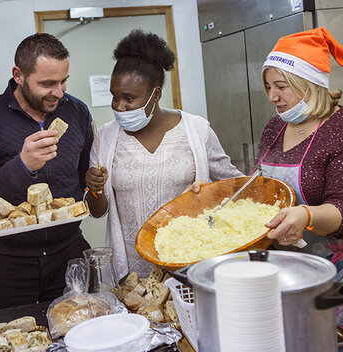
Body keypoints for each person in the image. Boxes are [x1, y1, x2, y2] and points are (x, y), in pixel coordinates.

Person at [254, 27, 343, 351]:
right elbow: (259, 184)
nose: (273, 96)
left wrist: (304, 215)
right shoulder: (277, 126)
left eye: (281, 87)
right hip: (295, 266)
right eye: (269, 87)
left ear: (310, 84)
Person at [85, 30, 242, 279]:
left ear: (155, 95)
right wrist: (94, 188)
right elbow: (97, 211)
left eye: (129, 99)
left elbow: (235, 187)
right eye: (115, 97)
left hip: (188, 261)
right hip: (130, 271)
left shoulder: (196, 130)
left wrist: (207, 196)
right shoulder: (105, 138)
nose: (119, 107)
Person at [0, 33, 93, 311]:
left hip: (69, 253)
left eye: (63, 81)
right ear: (18, 75)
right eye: (47, 84)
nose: (59, 92)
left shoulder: (77, 112)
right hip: (5, 264)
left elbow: (84, 182)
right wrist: (22, 166)